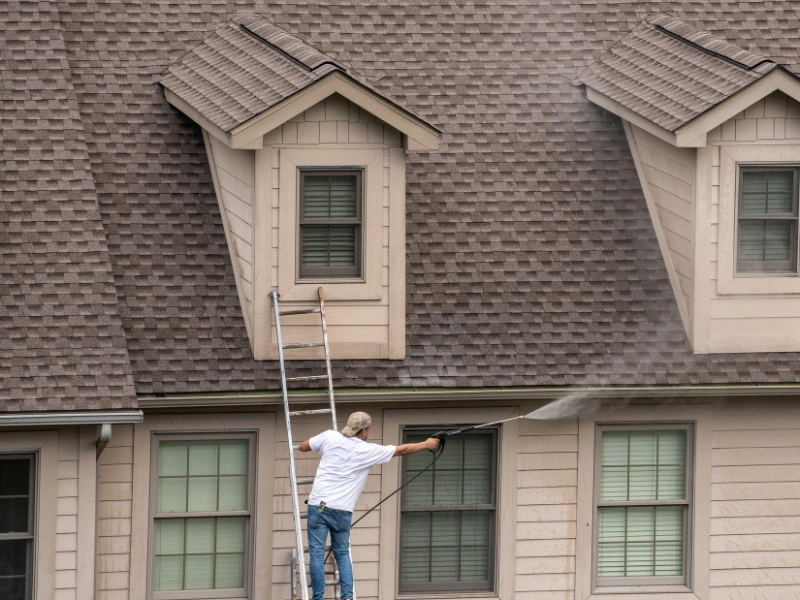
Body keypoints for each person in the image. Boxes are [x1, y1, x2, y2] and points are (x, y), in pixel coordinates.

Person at [298, 411, 439, 600]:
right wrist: (426, 444)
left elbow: (302, 447)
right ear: (363, 431)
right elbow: (401, 450)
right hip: (341, 510)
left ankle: (317, 598)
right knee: (341, 554)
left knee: (316, 554)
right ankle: (347, 597)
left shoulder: (328, 437)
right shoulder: (368, 450)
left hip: (319, 505)